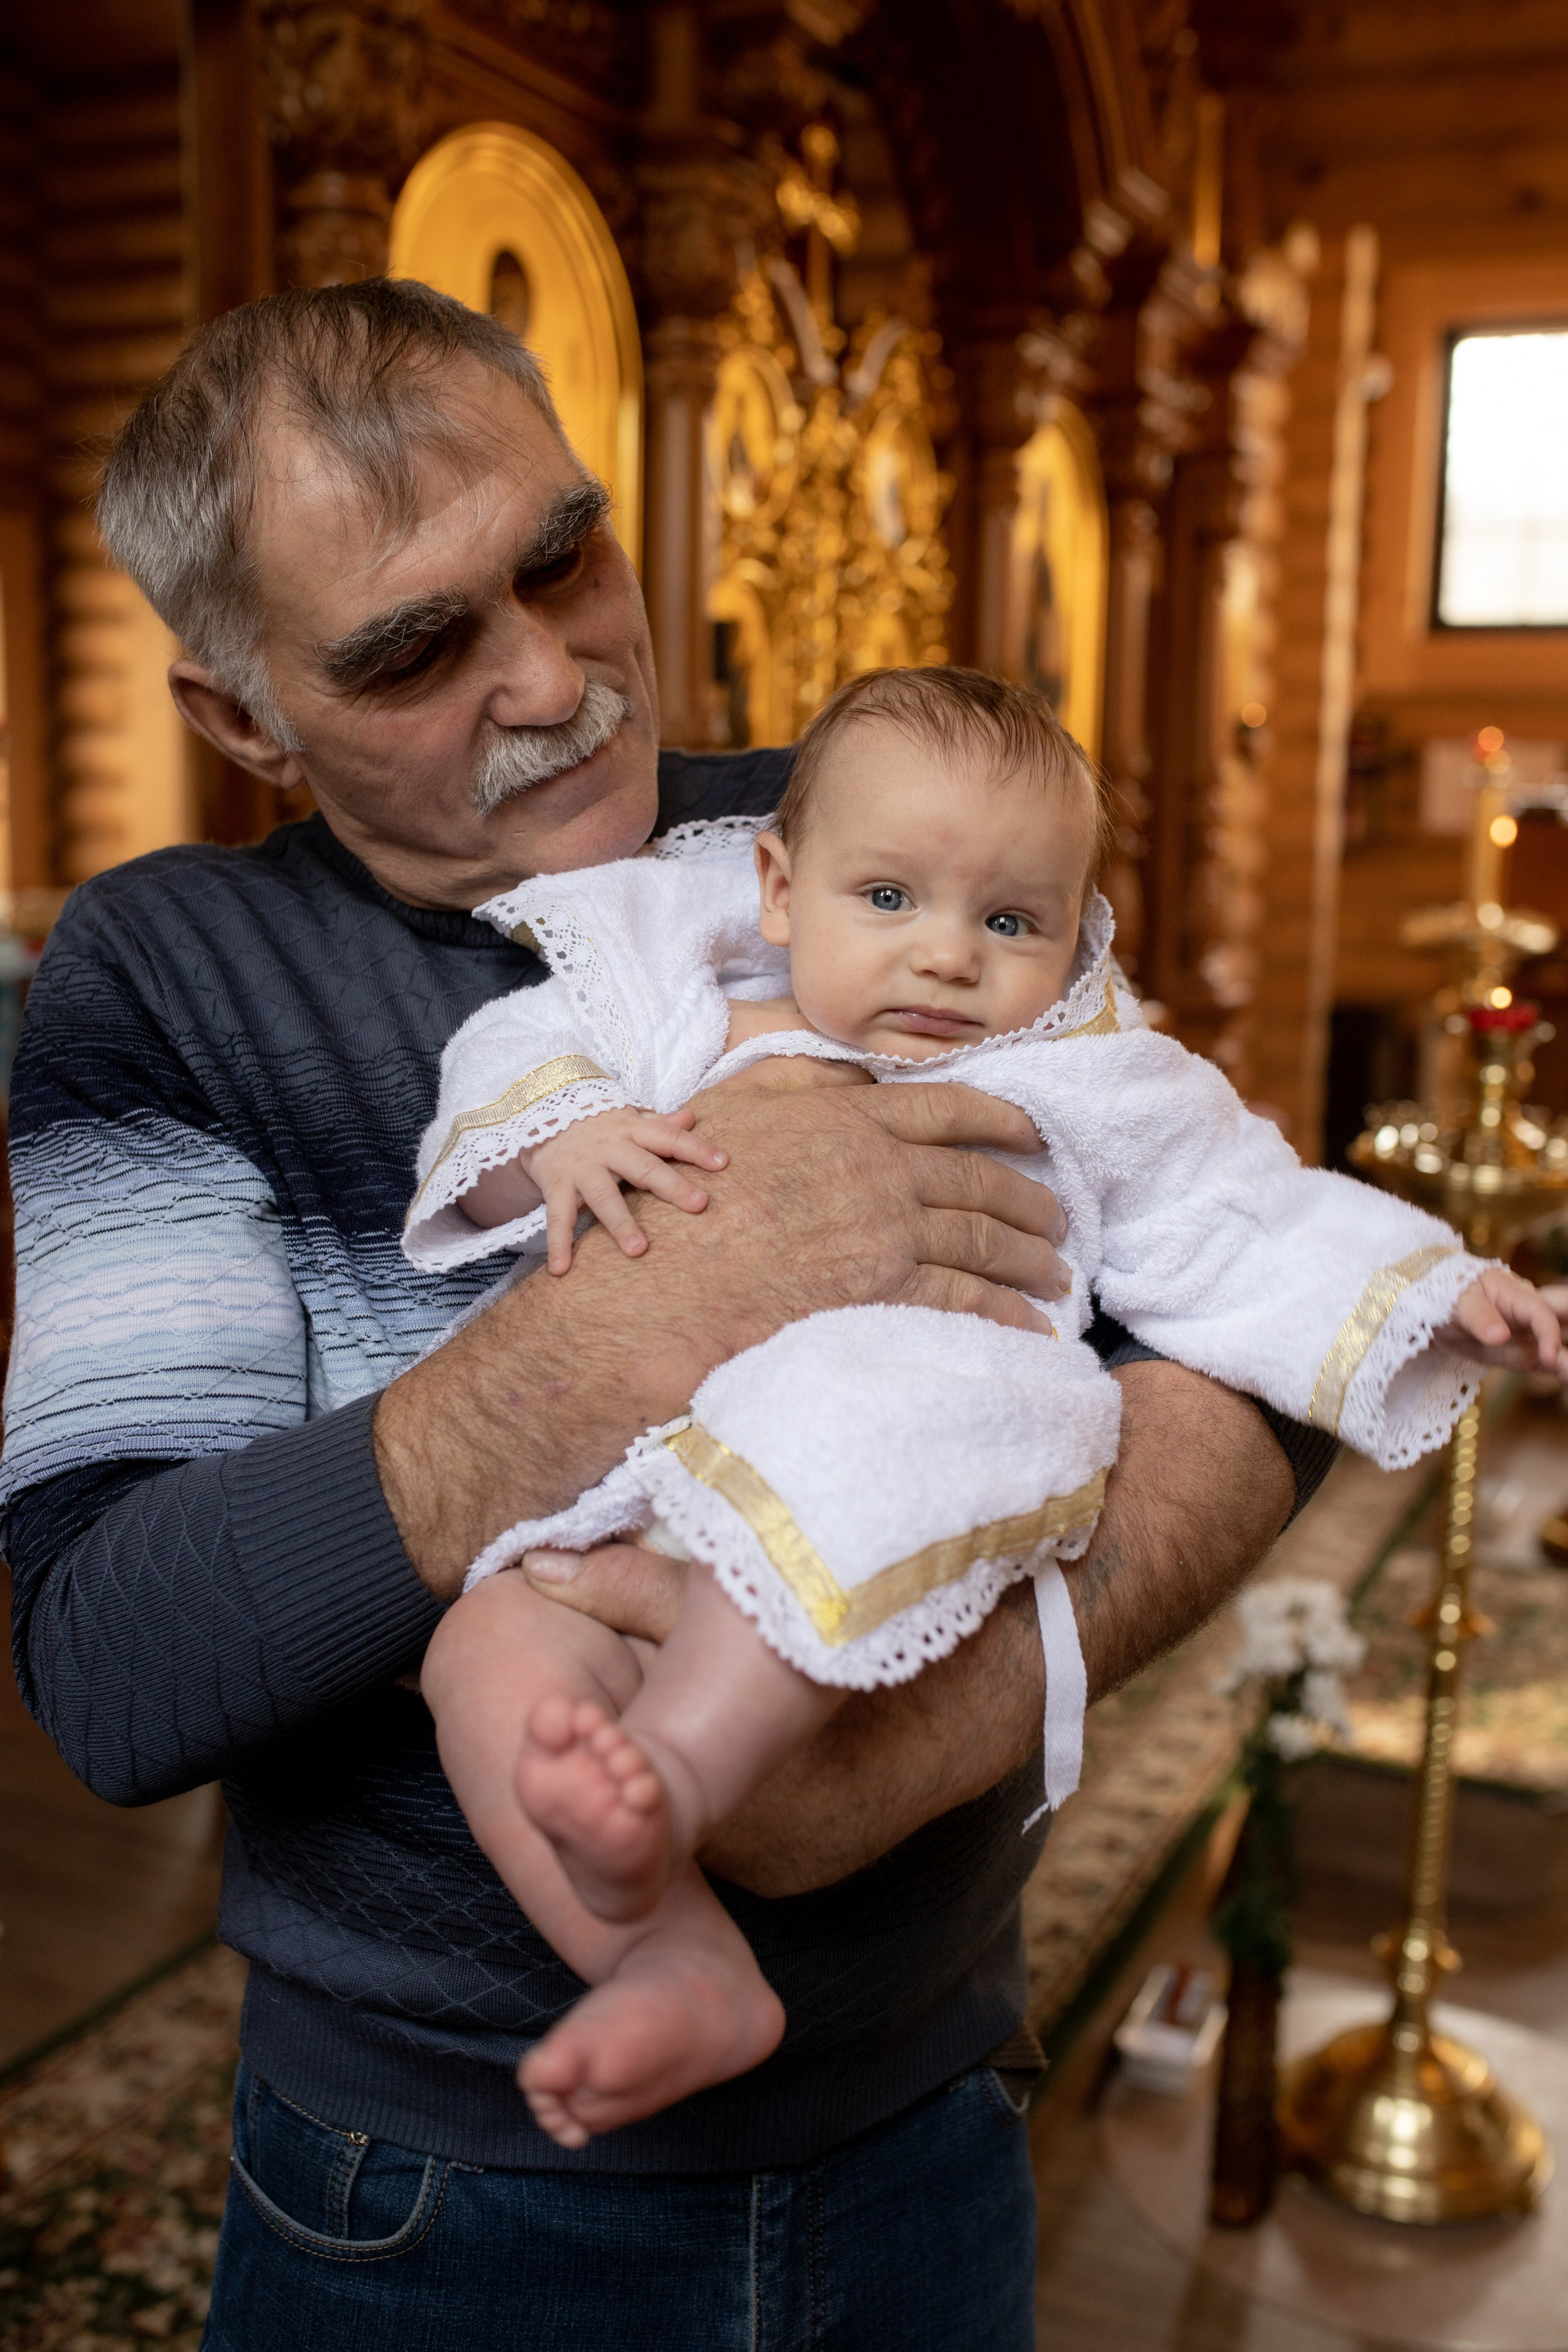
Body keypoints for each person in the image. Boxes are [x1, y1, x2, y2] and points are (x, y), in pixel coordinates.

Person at [6, 279, 1332, 2352]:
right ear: (245, 716)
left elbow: (1253, 1340)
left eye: (564, 556)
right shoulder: (169, 984)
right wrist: (642, 1319)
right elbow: (113, 1658)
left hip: (928, 2120)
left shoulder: (878, 840)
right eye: (416, 649)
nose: (555, 677)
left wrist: (932, 1734)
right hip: (435, 2203)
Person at [404, 662, 1561, 2152]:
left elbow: (1247, 1220)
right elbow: (513, 1052)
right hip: (638, 1475)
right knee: (483, 1645)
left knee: (837, 1419)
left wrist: (1431, 1284)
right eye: (887, 898)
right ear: (776, 885)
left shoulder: (1089, 1084)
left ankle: (677, 1772)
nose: (945, 958)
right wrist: (563, 1137)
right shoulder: (679, 1003)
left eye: (1007, 923)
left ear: (1071, 938)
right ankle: (669, 1957)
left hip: (921, 1419)